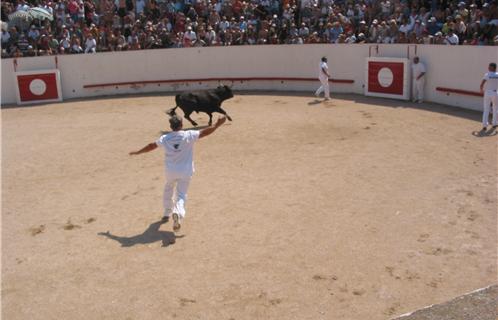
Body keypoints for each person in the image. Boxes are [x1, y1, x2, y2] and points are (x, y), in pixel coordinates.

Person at [129, 115, 227, 231]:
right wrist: (217, 125)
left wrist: (138, 152)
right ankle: (177, 213)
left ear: (171, 126)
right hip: (186, 170)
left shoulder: (165, 138)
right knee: (181, 194)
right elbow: (205, 132)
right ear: (182, 125)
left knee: (168, 188)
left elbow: (151, 146)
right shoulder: (188, 135)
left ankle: (166, 213)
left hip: (171, 171)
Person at [479, 62, 498, 131]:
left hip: (487, 93)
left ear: (493, 67)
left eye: (490, 67)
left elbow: (482, 84)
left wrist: (481, 90)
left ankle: (484, 125)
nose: (488, 68)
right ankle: (494, 123)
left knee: (486, 109)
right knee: (495, 109)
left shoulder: (487, 74)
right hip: (495, 93)